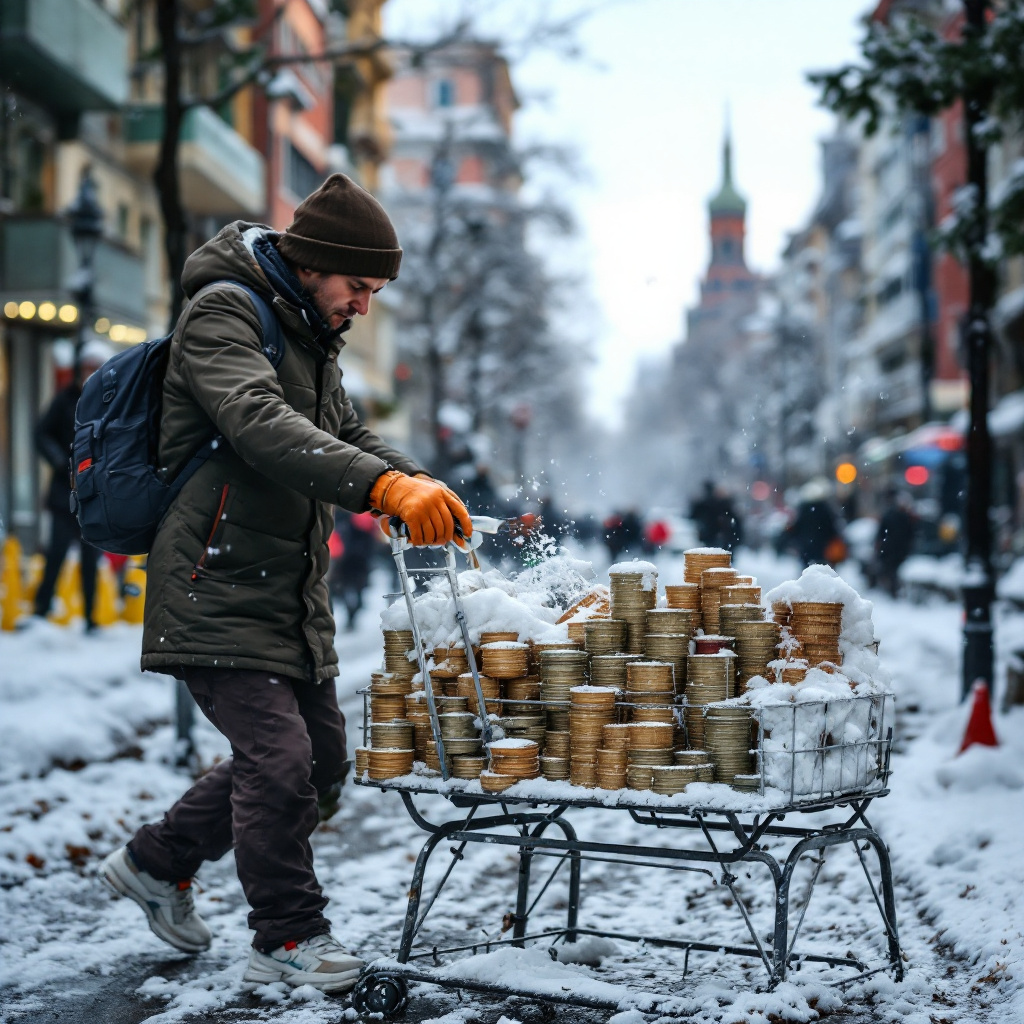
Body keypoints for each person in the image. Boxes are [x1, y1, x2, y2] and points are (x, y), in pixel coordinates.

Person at [99, 174, 473, 993]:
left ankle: (157, 861)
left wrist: (419, 482)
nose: (364, 306)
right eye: (358, 286)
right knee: (279, 760)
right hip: (213, 579)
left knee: (322, 759)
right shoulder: (224, 313)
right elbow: (259, 424)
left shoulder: (311, 332)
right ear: (311, 264)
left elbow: (348, 433)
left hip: (288, 588)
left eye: (374, 292)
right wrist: (381, 489)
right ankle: (288, 934)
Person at [30, 340, 113, 632]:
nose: (91, 372)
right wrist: (58, 461)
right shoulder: (65, 399)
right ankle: (41, 610)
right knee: (56, 553)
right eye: (88, 366)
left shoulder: (109, 401)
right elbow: (41, 433)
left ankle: (91, 617)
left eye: (97, 367)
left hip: (93, 492)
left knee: (91, 558)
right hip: (63, 491)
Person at [330, 509, 379, 630]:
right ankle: (351, 614)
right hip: (355, 562)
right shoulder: (361, 522)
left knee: (348, 591)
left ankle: (351, 615)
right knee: (354, 591)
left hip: (349, 562)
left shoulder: (344, 522)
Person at [875, 490, 916, 597]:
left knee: (892, 570)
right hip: (894, 549)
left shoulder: (901, 516)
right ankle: (893, 589)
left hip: (894, 548)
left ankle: (893, 589)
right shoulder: (900, 516)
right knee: (891, 570)